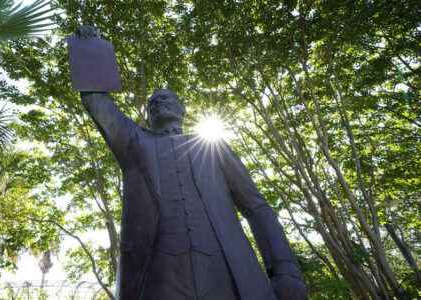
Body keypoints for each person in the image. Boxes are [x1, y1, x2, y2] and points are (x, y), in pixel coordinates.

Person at [76, 27, 307, 300]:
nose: (159, 101)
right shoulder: (135, 142)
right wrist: (91, 49)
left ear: (183, 109)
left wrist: (284, 269)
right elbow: (96, 101)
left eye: (166, 98)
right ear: (147, 116)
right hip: (159, 275)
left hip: (226, 268)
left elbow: (256, 207)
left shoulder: (212, 146)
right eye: (152, 102)